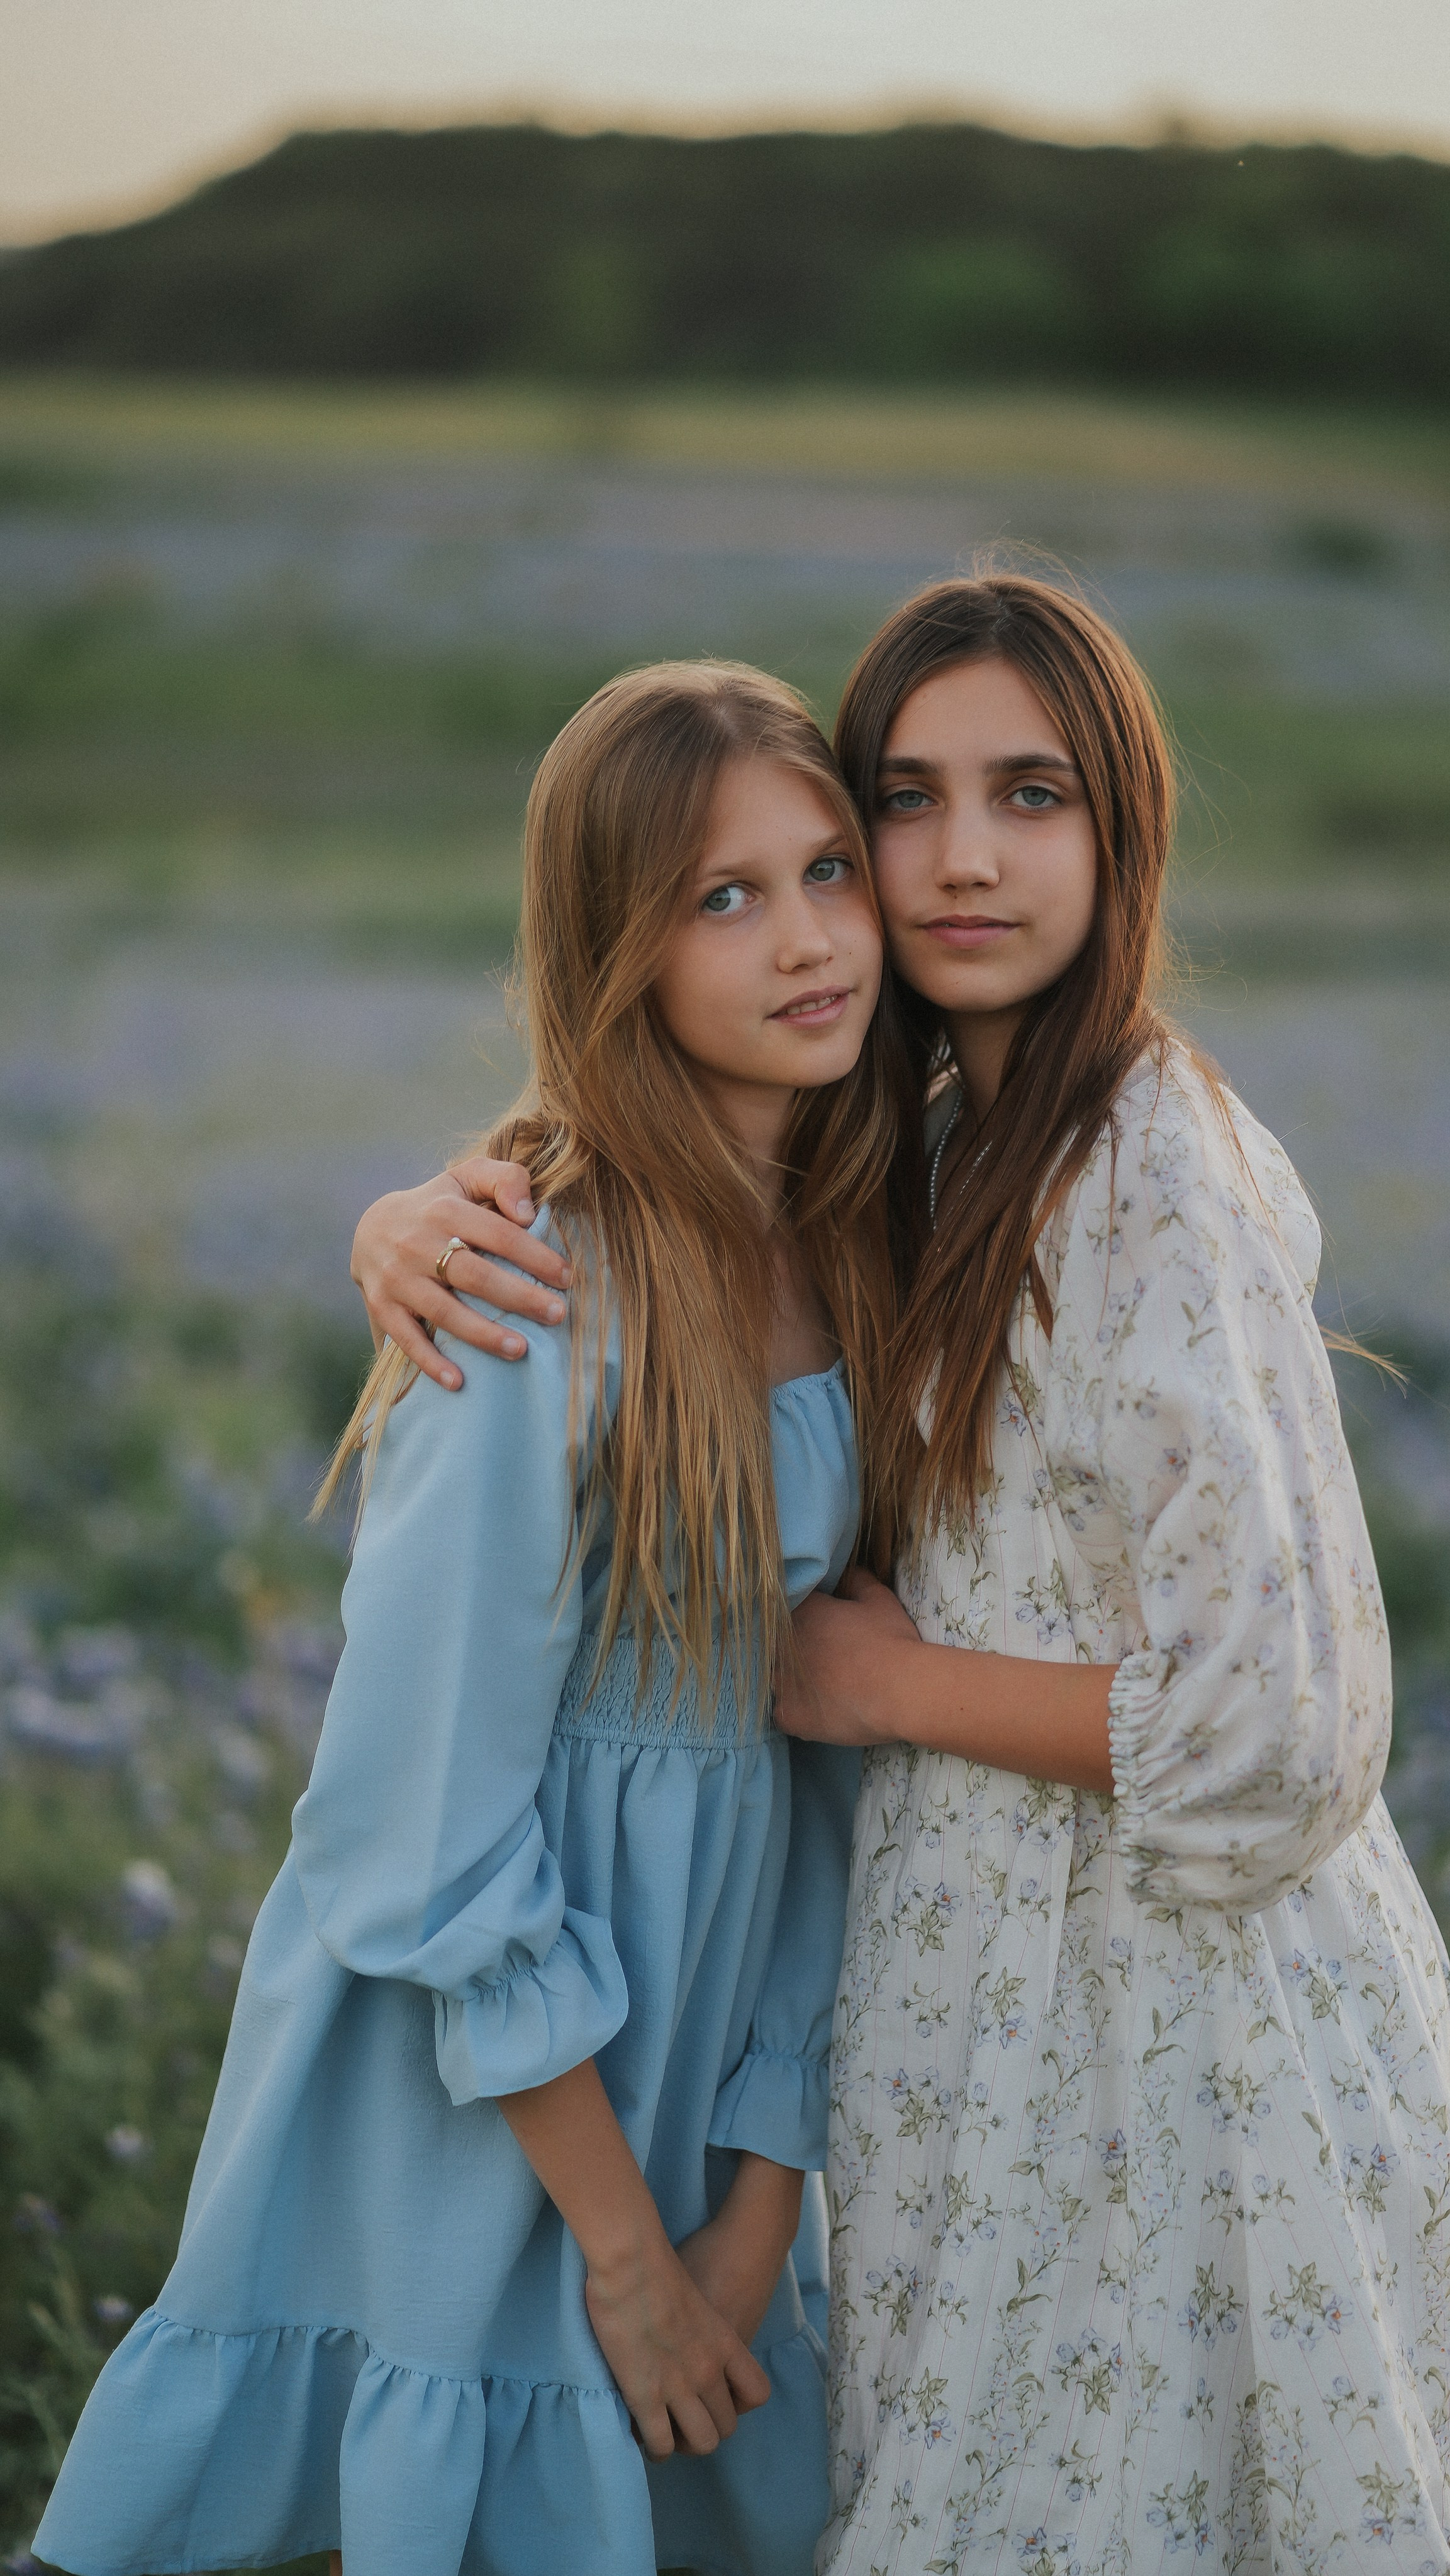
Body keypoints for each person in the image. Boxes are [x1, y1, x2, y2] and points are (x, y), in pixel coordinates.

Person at [359, 577, 1450, 2575]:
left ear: (1120, 832)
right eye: (907, 806)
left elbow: (1282, 1731)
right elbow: (665, 1163)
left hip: (1172, 2059)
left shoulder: (1149, 1167)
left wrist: (881, 1690)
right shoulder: (931, 1140)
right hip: (986, 2042)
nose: (958, 863)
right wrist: (420, 1214)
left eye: (1028, 797)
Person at [33, 662, 903, 2576]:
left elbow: (837, 1781)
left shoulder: (855, 1251)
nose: (806, 938)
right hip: (487, 2080)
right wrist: (622, 2248)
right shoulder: (531, 1299)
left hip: (711, 2040)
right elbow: (408, 1830)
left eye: (826, 867)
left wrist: (757, 2212)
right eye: (720, 897)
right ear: (618, 948)